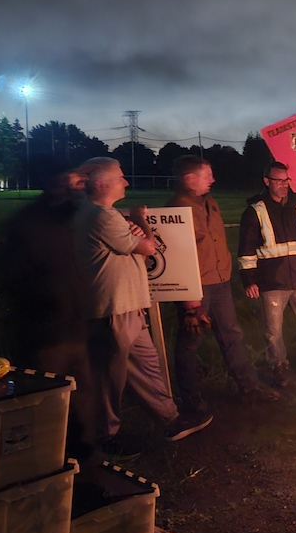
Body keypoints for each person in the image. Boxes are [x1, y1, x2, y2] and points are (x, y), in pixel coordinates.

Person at [74, 157, 211, 445]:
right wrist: (139, 220)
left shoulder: (101, 214)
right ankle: (105, 436)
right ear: (102, 184)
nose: (126, 182)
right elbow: (148, 247)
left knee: (147, 366)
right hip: (114, 308)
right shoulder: (102, 216)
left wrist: (133, 226)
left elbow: (133, 244)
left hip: (129, 306)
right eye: (121, 177)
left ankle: (170, 419)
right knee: (111, 376)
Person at [167, 155, 281, 413]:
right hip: (196, 288)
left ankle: (249, 387)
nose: (213, 179)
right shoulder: (176, 209)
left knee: (232, 335)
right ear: (189, 179)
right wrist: (188, 295)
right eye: (207, 175)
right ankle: (191, 399)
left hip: (219, 282)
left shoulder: (211, 203)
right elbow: (176, 254)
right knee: (189, 342)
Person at [0, 167, 97, 462]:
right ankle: (49, 459)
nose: (72, 190)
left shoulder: (68, 221)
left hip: (75, 327)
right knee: (51, 397)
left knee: (82, 395)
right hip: (46, 332)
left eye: (75, 183)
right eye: (65, 183)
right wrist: (47, 306)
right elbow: (11, 278)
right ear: (49, 184)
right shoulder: (27, 224)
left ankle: (84, 459)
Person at [237, 161, 296, 386]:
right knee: (273, 330)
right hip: (271, 281)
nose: (283, 185)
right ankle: (278, 367)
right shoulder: (255, 211)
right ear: (267, 181)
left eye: (286, 180)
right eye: (278, 181)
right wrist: (249, 280)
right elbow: (246, 248)